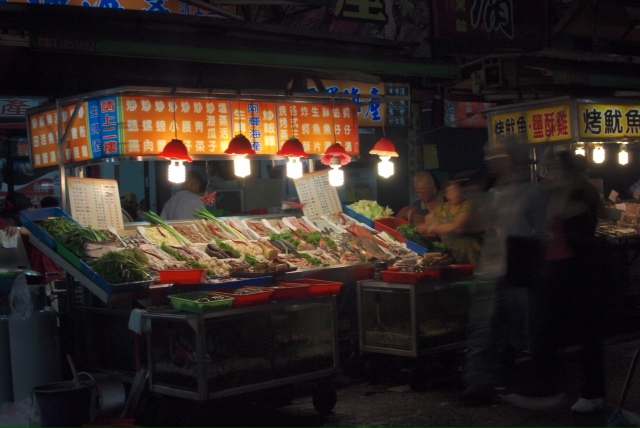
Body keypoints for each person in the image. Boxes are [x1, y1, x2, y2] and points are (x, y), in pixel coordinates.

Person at [461, 142, 549, 403]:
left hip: (519, 273)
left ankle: (540, 383)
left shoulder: (532, 192)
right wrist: (475, 201)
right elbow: (479, 226)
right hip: (490, 270)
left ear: (513, 159)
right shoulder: (494, 193)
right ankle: (478, 385)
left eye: (497, 156)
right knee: (483, 331)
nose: (491, 161)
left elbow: (543, 232)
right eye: (489, 156)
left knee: (528, 332)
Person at [521, 149, 607, 413]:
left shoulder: (578, 196)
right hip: (557, 273)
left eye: (553, 168)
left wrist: (551, 236)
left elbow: (582, 240)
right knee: (548, 332)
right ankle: (554, 390)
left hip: (577, 275)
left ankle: (592, 393)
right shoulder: (557, 195)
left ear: (567, 171)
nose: (547, 173)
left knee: (585, 334)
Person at [416, 178, 483, 265]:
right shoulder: (443, 209)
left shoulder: (469, 205)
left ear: (461, 191)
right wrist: (423, 228)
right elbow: (428, 219)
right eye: (449, 191)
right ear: (445, 194)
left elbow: (456, 226)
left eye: (455, 190)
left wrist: (431, 228)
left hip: (471, 258)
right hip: (451, 258)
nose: (453, 193)